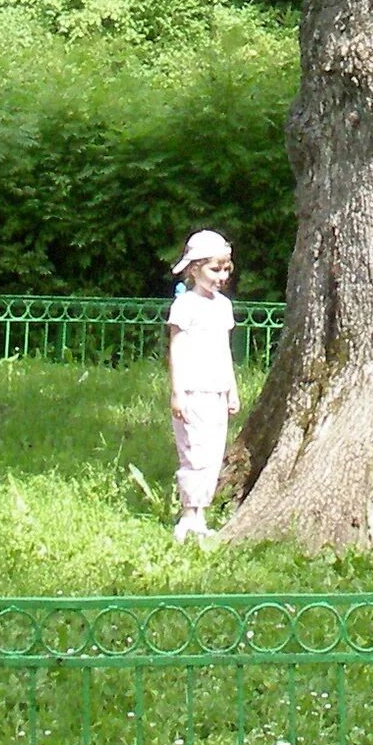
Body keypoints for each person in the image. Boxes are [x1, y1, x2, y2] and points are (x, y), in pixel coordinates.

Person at [166, 228, 238, 545]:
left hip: (217, 391)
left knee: (212, 454)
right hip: (193, 391)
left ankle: (201, 514)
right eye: (214, 269)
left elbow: (225, 350)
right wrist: (178, 392)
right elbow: (177, 349)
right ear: (195, 268)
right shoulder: (186, 306)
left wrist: (231, 390)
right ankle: (188, 515)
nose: (221, 276)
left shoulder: (222, 306)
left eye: (225, 269)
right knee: (193, 452)